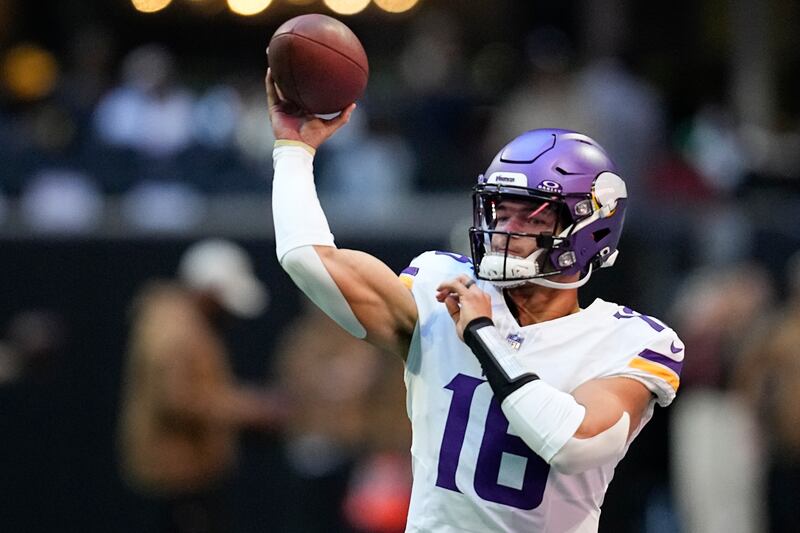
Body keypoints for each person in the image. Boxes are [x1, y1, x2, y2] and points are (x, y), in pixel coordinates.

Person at [265, 69, 684, 532]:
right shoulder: (445, 287)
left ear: (589, 228)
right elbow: (307, 259)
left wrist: (484, 336)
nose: (505, 231)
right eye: (499, 212)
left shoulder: (627, 340)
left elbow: (574, 443)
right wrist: (294, 151)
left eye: (530, 218)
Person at [117, 238, 283, 533]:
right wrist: (248, 409)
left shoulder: (183, 324)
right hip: (176, 473)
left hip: (185, 470)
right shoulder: (176, 334)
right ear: (208, 291)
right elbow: (177, 400)